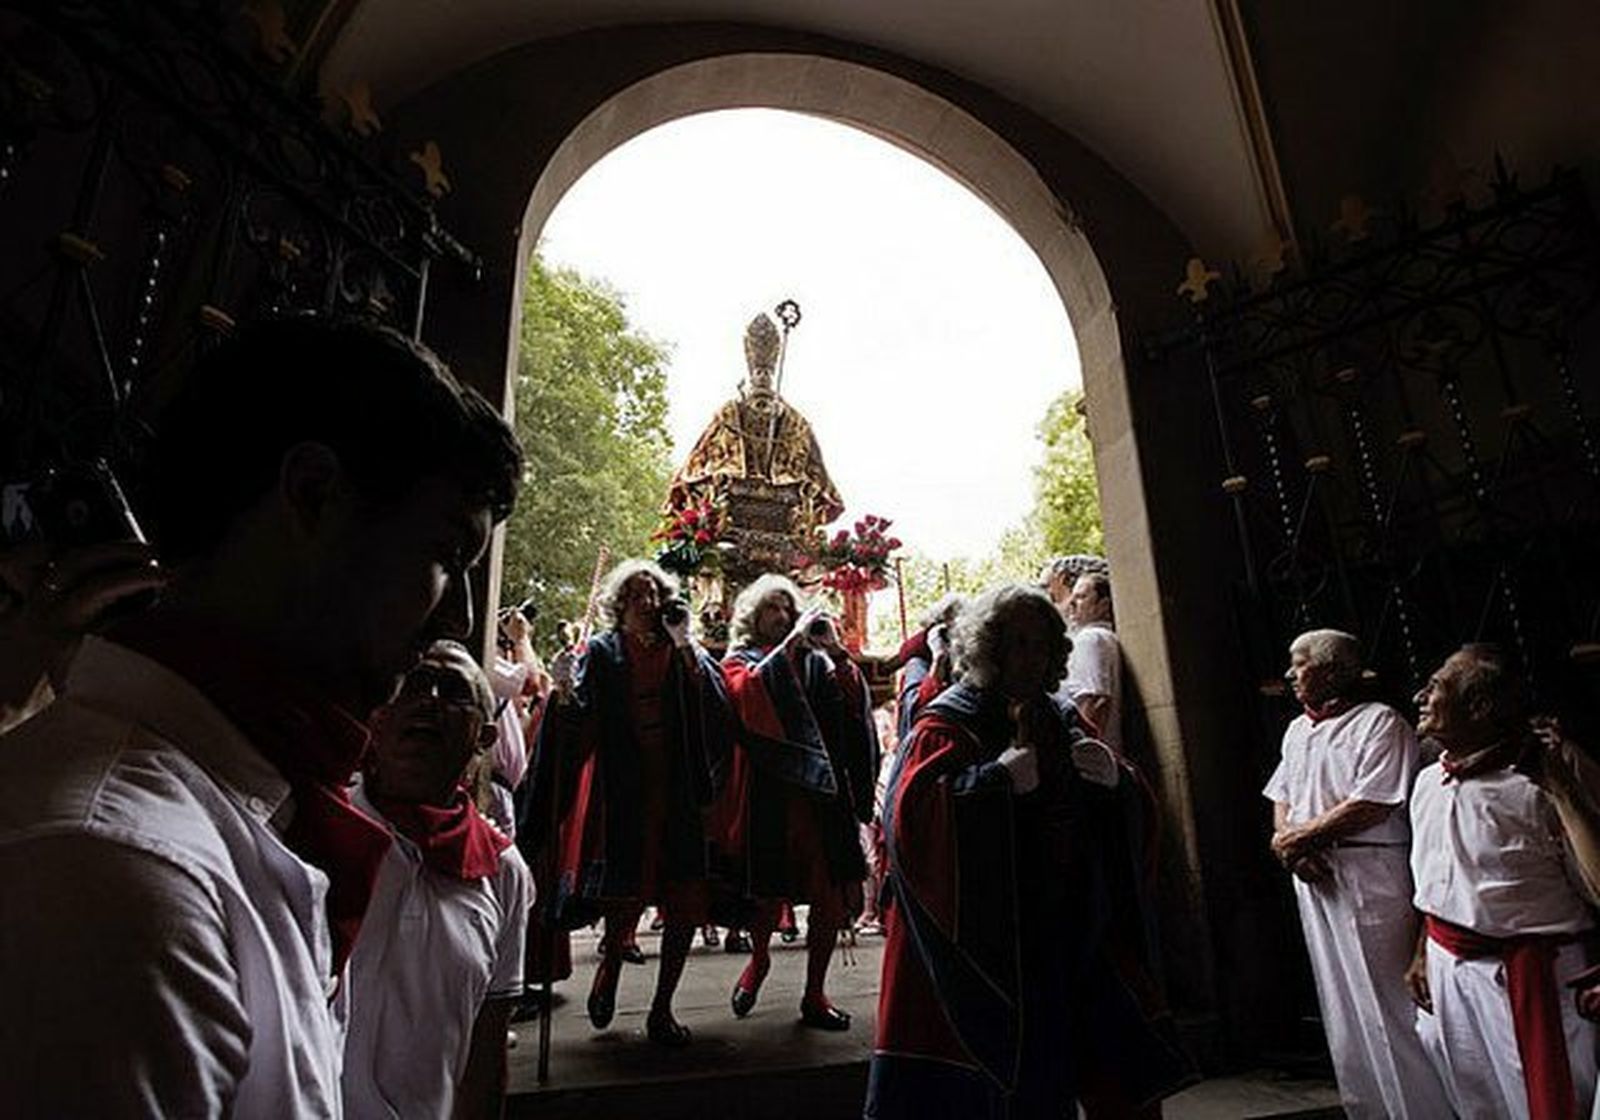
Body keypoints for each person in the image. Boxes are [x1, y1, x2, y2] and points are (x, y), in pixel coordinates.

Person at [0, 316, 522, 1115]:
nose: (451, 622)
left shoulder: (239, 814)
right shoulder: (114, 867)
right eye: (446, 554)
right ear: (313, 497)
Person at [867, 584, 1193, 1119]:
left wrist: (1119, 783)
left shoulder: (1061, 716)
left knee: (1085, 1065)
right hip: (984, 941)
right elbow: (911, 824)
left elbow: (1125, 806)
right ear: (988, 647)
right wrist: (992, 783)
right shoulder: (947, 721)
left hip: (1063, 924)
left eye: (1041, 644)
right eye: (1016, 643)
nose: (1030, 656)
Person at [525, 559, 729, 1046]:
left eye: (655, 594)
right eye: (638, 595)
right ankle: (610, 964)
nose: (649, 603)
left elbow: (716, 706)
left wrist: (687, 649)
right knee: (625, 892)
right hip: (623, 788)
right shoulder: (602, 650)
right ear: (621, 604)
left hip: (678, 786)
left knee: (684, 898)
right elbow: (580, 721)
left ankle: (662, 1009)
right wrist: (565, 695)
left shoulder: (683, 651)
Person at [1261, 629, 1450, 1118]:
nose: (1290, 673)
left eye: (1299, 662)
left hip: (1369, 872)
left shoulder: (1380, 722)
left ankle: (1422, 1110)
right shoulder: (1296, 730)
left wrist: (1302, 838)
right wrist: (1289, 844)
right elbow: (1282, 796)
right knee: (1342, 1007)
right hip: (1315, 875)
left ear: (1332, 669)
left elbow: (1375, 800)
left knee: (1389, 1003)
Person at [1406, 644, 1598, 1120]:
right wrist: (1421, 951)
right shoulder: (1428, 781)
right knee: (1476, 1100)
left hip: (1529, 975)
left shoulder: (1546, 784)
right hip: (1448, 967)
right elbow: (1437, 878)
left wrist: (1565, 791)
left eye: (1436, 687)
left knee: (1541, 1102)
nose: (1420, 696)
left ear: (1479, 707)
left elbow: (1594, 888)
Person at [344, 640, 530, 1120]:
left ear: (483, 738)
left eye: (453, 692)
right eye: (412, 685)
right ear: (378, 718)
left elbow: (487, 1052)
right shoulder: (316, 832)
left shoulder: (503, 872)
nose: (428, 699)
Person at [715, 573, 877, 1030]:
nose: (782, 617)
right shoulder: (740, 659)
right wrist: (789, 647)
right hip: (768, 793)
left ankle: (815, 993)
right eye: (772, 609)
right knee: (768, 893)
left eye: (788, 610)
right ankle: (759, 961)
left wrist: (839, 657)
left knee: (829, 896)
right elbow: (745, 697)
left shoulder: (815, 661)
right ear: (753, 616)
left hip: (820, 794)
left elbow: (847, 712)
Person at [668, 312, 844, 534]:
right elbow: (704, 455)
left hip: (782, 497)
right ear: (751, 375)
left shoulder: (795, 421)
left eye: (768, 373)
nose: (763, 377)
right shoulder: (729, 413)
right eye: (759, 372)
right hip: (735, 491)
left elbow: (813, 466)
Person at [1057, 569, 1123, 751]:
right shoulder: (1107, 637)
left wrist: (1082, 754)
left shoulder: (1090, 638)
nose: (1071, 603)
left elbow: (1095, 701)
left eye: (1081, 597)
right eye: (1073, 596)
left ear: (1104, 605)